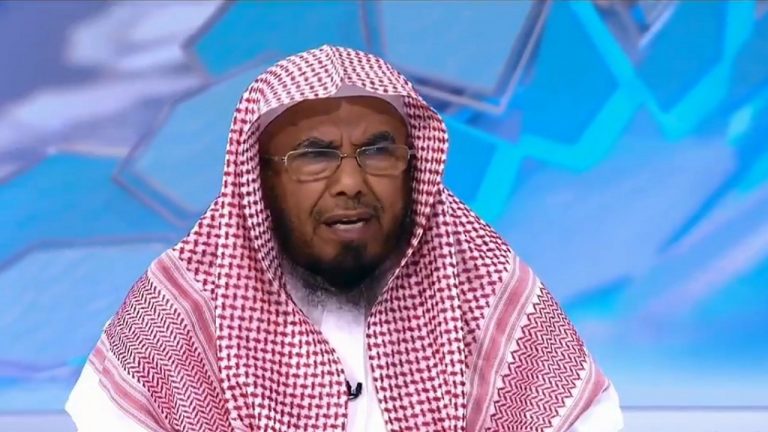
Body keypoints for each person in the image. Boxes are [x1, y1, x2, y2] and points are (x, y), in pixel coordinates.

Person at [66, 45, 623, 431]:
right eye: (314, 156)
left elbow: (585, 420)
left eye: (378, 151)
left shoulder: (481, 279)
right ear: (261, 179)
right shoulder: (186, 304)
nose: (351, 183)